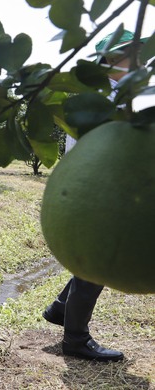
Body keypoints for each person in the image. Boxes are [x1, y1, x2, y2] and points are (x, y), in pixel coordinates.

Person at [41, 30, 146, 362]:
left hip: (92, 189)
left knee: (88, 264)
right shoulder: (105, 100)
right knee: (96, 266)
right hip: (93, 191)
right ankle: (75, 340)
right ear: (114, 60)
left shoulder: (114, 95)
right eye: (133, 55)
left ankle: (59, 309)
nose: (141, 61)